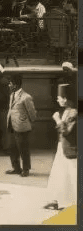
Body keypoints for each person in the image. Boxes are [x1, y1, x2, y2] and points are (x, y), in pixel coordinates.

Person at [44, 83, 77, 211]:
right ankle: (56, 199)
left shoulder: (73, 113)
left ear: (66, 98)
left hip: (70, 149)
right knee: (59, 175)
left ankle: (72, 202)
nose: (58, 99)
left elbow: (66, 131)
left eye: (59, 97)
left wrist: (57, 120)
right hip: (62, 147)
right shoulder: (68, 111)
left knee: (72, 176)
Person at [5, 74, 37, 177]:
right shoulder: (12, 95)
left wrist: (27, 122)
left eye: (10, 83)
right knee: (12, 148)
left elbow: (32, 113)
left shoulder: (26, 97)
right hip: (11, 126)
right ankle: (16, 168)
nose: (9, 85)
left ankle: (26, 169)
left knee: (23, 149)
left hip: (22, 127)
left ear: (15, 84)